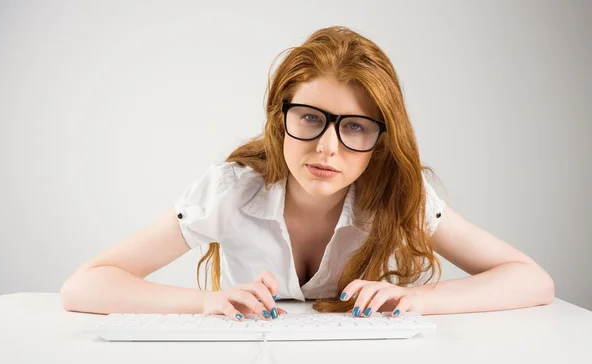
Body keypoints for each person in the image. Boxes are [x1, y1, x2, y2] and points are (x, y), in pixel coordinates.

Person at [60, 26, 554, 322]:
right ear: (281, 116)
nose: (326, 147)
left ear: (381, 141)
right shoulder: (231, 190)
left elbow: (531, 281)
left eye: (355, 128)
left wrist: (414, 298)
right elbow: (85, 286)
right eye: (311, 118)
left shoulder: (398, 195)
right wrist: (204, 302)